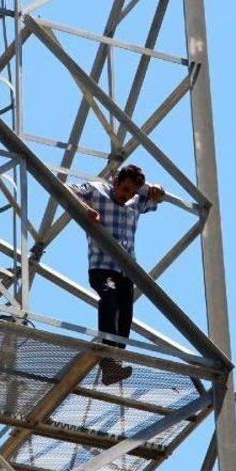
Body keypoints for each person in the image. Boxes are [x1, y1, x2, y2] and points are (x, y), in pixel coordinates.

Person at [69, 165, 165, 385]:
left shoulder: (135, 203)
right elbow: (69, 190)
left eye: (132, 192)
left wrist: (157, 190)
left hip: (126, 271)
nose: (126, 195)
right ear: (115, 182)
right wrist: (86, 209)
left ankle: (115, 363)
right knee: (109, 300)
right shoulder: (97, 191)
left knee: (125, 316)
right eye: (124, 189)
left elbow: (156, 198)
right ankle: (108, 358)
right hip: (103, 268)